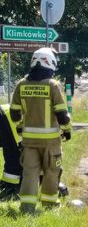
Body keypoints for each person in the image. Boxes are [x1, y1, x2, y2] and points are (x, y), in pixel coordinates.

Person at [10, 48, 72, 214]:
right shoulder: (53, 85)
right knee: (51, 172)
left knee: (29, 173)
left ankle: (27, 208)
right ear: (50, 63)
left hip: (29, 141)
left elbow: (14, 113)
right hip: (51, 142)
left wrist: (20, 127)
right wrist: (67, 131)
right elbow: (62, 115)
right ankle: (50, 206)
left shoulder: (21, 84)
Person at [0, 104, 23, 200]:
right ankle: (9, 186)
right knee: (13, 156)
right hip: (7, 118)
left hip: (9, 120)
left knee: (13, 157)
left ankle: (11, 188)